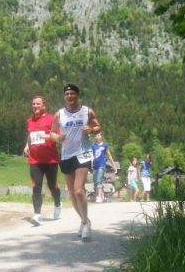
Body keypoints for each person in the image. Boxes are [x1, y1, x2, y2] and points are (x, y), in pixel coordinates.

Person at [45, 83, 101, 240]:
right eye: (67, 94)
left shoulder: (87, 111)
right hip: (66, 155)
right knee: (72, 194)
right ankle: (85, 221)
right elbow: (52, 133)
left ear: (77, 95)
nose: (70, 96)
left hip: (83, 153)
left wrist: (91, 130)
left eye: (72, 93)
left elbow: (98, 127)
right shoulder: (59, 114)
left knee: (78, 190)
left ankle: (85, 224)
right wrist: (58, 138)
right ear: (64, 96)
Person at [24, 95, 61, 225]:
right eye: (33, 104)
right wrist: (27, 146)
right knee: (36, 187)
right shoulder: (30, 121)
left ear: (44, 106)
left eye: (38, 104)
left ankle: (57, 204)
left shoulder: (51, 119)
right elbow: (30, 135)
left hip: (50, 159)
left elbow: (58, 137)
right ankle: (37, 215)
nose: (35, 106)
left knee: (52, 186)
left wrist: (45, 136)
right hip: (34, 160)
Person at [91, 132, 117, 203]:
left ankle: (98, 196)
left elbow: (109, 155)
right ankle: (101, 195)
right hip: (95, 166)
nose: (97, 136)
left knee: (99, 179)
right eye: (96, 135)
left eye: (98, 135)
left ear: (101, 136)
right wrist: (91, 165)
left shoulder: (105, 145)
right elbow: (92, 156)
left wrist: (113, 165)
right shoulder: (93, 146)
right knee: (95, 182)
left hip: (102, 165)